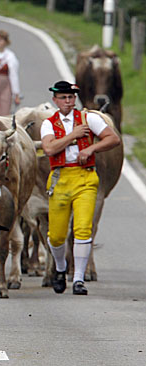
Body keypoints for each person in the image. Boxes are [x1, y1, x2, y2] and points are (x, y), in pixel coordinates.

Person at [41, 80, 120, 295]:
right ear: (55, 100)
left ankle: (78, 279)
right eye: (63, 98)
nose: (68, 101)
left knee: (83, 229)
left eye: (70, 97)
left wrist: (92, 148)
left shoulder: (89, 118)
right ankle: (59, 268)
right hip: (60, 177)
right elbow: (49, 148)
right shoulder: (49, 123)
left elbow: (113, 139)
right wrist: (72, 136)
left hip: (85, 178)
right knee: (56, 235)